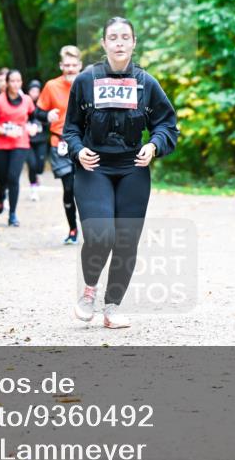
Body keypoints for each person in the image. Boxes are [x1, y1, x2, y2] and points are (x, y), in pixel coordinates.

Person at [62, 17, 179, 329]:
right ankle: (88, 292)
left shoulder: (147, 83)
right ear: (103, 44)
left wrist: (154, 145)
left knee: (126, 241)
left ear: (134, 42)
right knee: (102, 233)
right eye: (112, 37)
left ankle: (112, 308)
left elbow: (167, 125)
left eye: (125, 37)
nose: (119, 43)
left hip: (133, 169)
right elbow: (71, 127)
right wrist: (77, 150)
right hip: (94, 166)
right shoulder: (85, 80)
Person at [32, 46, 82, 244]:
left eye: (73, 65)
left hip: (85, 144)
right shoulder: (51, 86)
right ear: (61, 65)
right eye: (66, 65)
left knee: (87, 189)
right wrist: (47, 115)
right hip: (59, 142)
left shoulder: (90, 84)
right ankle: (72, 230)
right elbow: (37, 112)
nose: (70, 69)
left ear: (80, 65)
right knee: (69, 188)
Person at [0, 70, 37, 227]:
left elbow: (34, 117)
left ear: (21, 83)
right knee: (1, 177)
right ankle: (2, 195)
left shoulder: (27, 100)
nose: (15, 84)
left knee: (13, 177)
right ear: (7, 83)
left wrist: (33, 127)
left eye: (18, 81)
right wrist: (4, 130)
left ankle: (13, 214)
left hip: (20, 143)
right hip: (0, 144)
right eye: (12, 81)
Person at [24, 79, 50, 201]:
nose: (34, 93)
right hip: (27, 140)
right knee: (32, 165)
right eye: (32, 90)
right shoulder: (23, 103)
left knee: (40, 166)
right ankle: (33, 189)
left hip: (41, 139)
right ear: (28, 91)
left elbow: (49, 119)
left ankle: (37, 176)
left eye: (36, 90)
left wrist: (39, 124)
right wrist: (28, 126)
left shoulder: (44, 104)